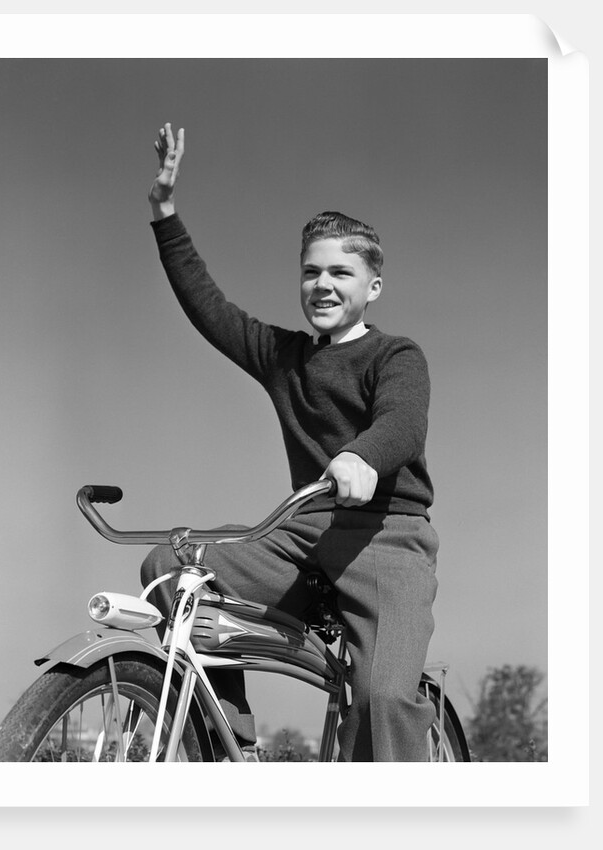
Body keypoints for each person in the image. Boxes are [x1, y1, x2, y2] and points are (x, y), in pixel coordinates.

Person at [141, 122, 439, 762]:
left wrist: (362, 456)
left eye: (341, 272)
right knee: (175, 570)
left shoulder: (396, 354)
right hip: (303, 538)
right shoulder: (285, 357)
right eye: (311, 273)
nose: (323, 285)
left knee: (382, 698)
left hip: (385, 536)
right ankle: (228, 734)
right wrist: (164, 212)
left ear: (372, 287)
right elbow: (209, 306)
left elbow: (402, 421)